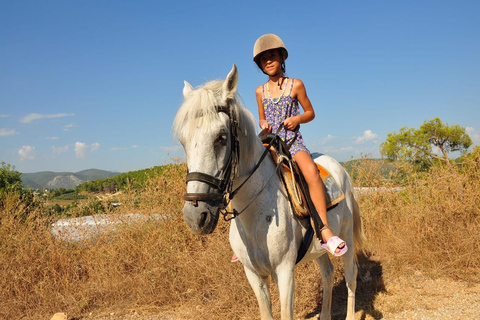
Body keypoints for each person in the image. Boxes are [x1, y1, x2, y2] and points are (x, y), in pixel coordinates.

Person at [231, 34, 347, 263]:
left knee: (312, 173)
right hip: (268, 143)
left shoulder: (296, 84)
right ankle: (243, 237)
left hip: (292, 142)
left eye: (272, 55)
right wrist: (262, 123)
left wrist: (297, 119)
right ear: (260, 65)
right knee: (240, 173)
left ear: (282, 57)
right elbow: (262, 119)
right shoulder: (259, 91)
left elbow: (310, 112)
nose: (268, 61)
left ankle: (324, 230)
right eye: (263, 59)